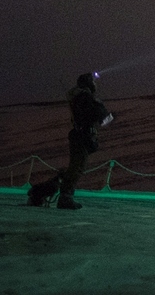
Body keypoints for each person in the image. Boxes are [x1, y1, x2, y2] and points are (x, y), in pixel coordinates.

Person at [27, 72, 114, 209]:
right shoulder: (84, 97)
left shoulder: (80, 97)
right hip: (82, 136)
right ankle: (63, 197)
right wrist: (105, 112)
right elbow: (95, 116)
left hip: (81, 135)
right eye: (93, 81)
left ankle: (47, 190)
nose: (95, 84)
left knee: (76, 167)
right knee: (76, 168)